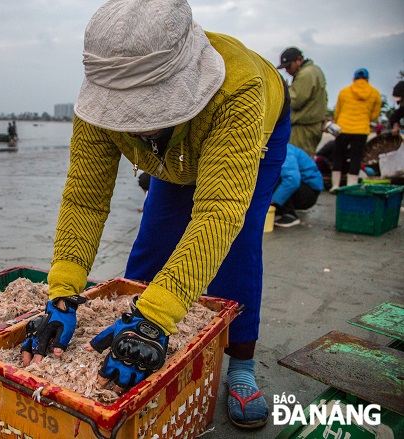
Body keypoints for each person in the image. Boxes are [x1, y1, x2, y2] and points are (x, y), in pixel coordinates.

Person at [20, 0, 291, 429]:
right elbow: (85, 200)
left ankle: (240, 360)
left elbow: (219, 211)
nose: (135, 122)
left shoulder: (238, 89)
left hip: (256, 126)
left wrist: (158, 317)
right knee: (154, 237)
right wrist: (63, 292)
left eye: (147, 108)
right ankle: (133, 319)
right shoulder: (101, 96)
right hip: (173, 153)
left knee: (236, 244)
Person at [329, 68, 382, 191]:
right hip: (361, 130)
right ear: (367, 79)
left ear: (354, 79)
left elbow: (338, 111)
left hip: (343, 128)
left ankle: (335, 185)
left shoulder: (344, 91)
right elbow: (374, 115)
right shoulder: (375, 93)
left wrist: (338, 121)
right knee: (356, 158)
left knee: (338, 156)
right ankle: (351, 186)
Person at [277, 47, 328, 157]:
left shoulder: (305, 74)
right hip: (313, 125)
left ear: (299, 60)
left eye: (289, 66)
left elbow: (294, 101)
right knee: (306, 159)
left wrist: (284, 90)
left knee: (298, 160)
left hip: (303, 127)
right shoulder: (315, 70)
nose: (287, 71)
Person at [272, 144, 324, 227]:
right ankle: (279, 210)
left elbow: (292, 180)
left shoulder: (284, 151)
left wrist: (273, 201)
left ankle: (289, 215)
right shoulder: (276, 148)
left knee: (275, 179)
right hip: (303, 189)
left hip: (308, 194)